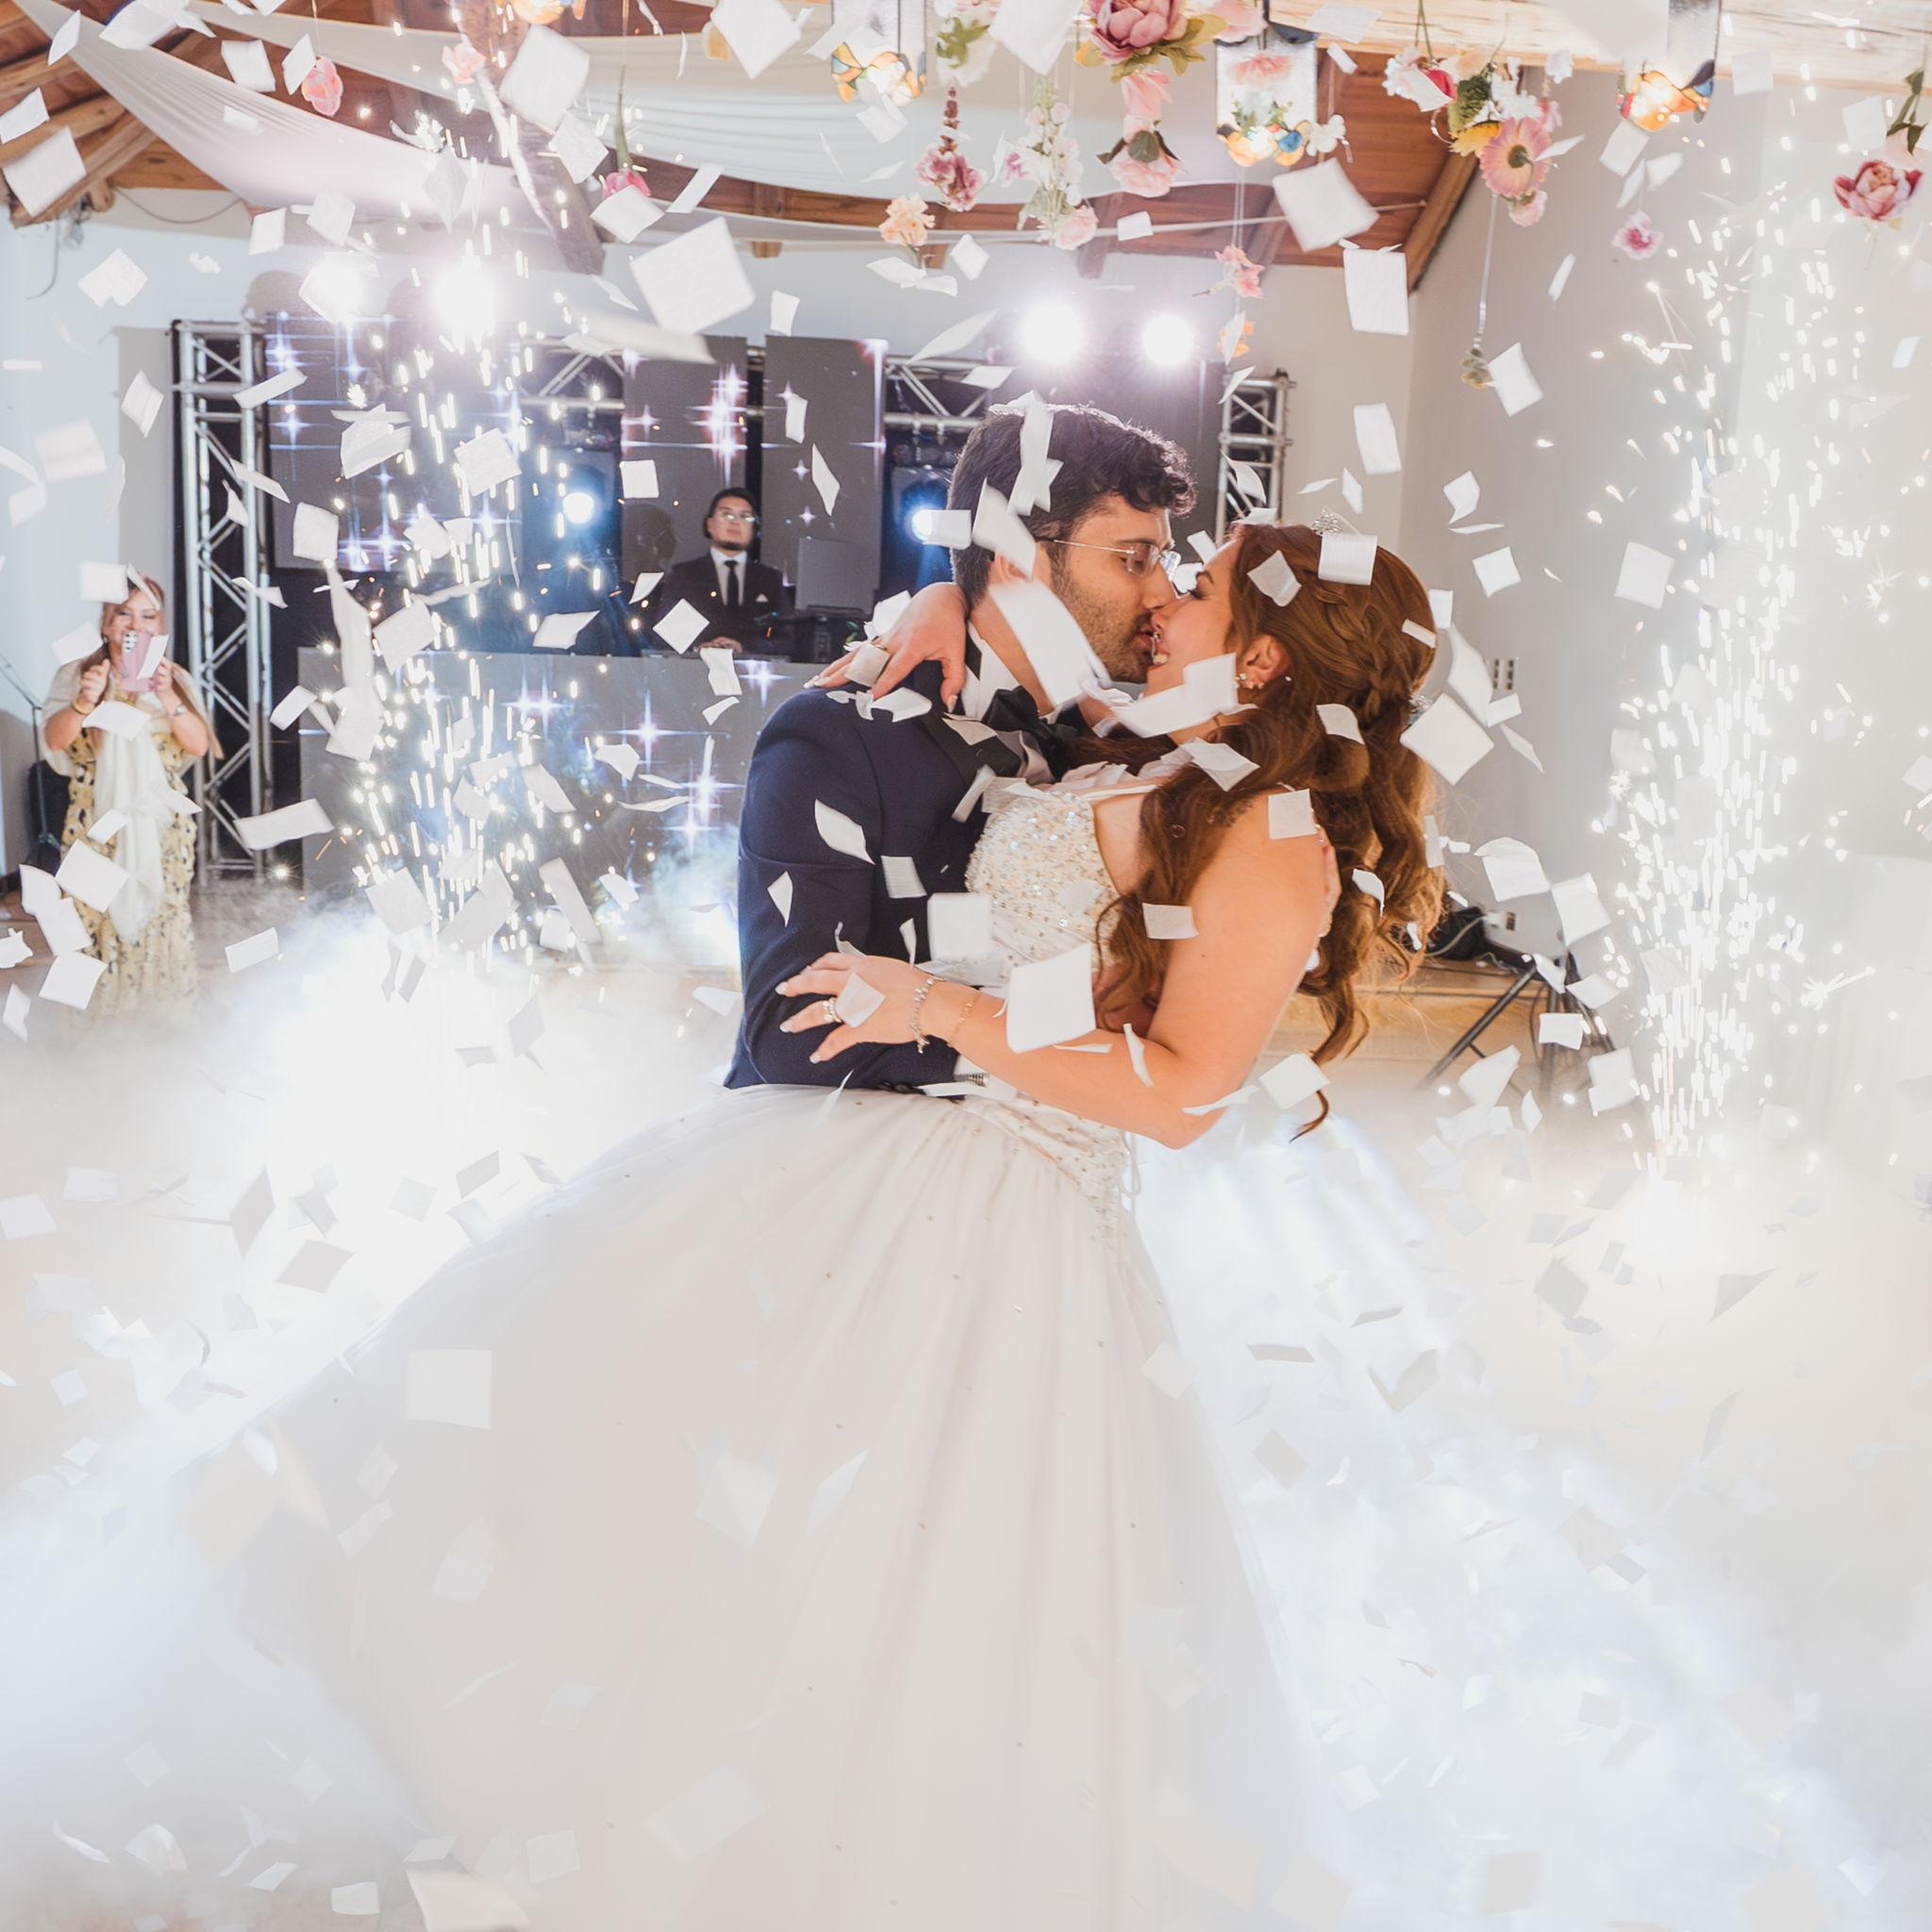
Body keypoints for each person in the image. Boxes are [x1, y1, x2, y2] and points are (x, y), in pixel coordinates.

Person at [39, 572, 216, 1015]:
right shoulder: (78, 674)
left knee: (160, 917)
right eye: (124, 614)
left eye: (148, 616)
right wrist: (85, 703)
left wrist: (169, 698)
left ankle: (156, 1022)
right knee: (88, 918)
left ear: (160, 626)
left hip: (161, 825)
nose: (136, 625)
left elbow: (198, 745)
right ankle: (90, 1027)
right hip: (95, 823)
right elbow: (55, 741)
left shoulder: (174, 678)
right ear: (106, 623)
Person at [644, 486, 791, 652]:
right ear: (709, 524)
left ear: (754, 528)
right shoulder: (684, 576)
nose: (735, 522)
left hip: (755, 667)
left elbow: (786, 641)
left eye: (745, 516)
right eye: (727, 514)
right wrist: (699, 648)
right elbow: (664, 635)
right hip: (693, 666)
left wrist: (744, 647)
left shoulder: (770, 580)